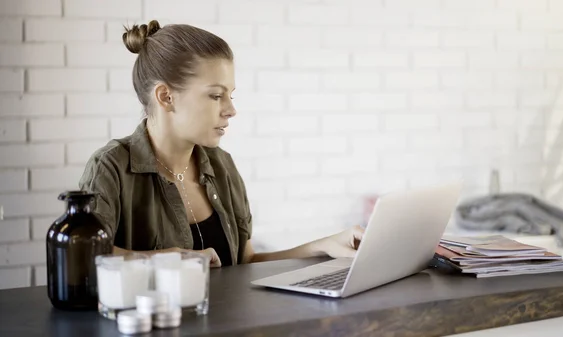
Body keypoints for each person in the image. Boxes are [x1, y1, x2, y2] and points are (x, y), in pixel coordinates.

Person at [79, 20, 364, 268]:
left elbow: (246, 263)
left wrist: (324, 246)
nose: (230, 110)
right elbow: (84, 257)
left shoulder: (221, 164)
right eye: (216, 96)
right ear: (166, 96)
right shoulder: (111, 168)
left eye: (231, 96)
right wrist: (168, 260)